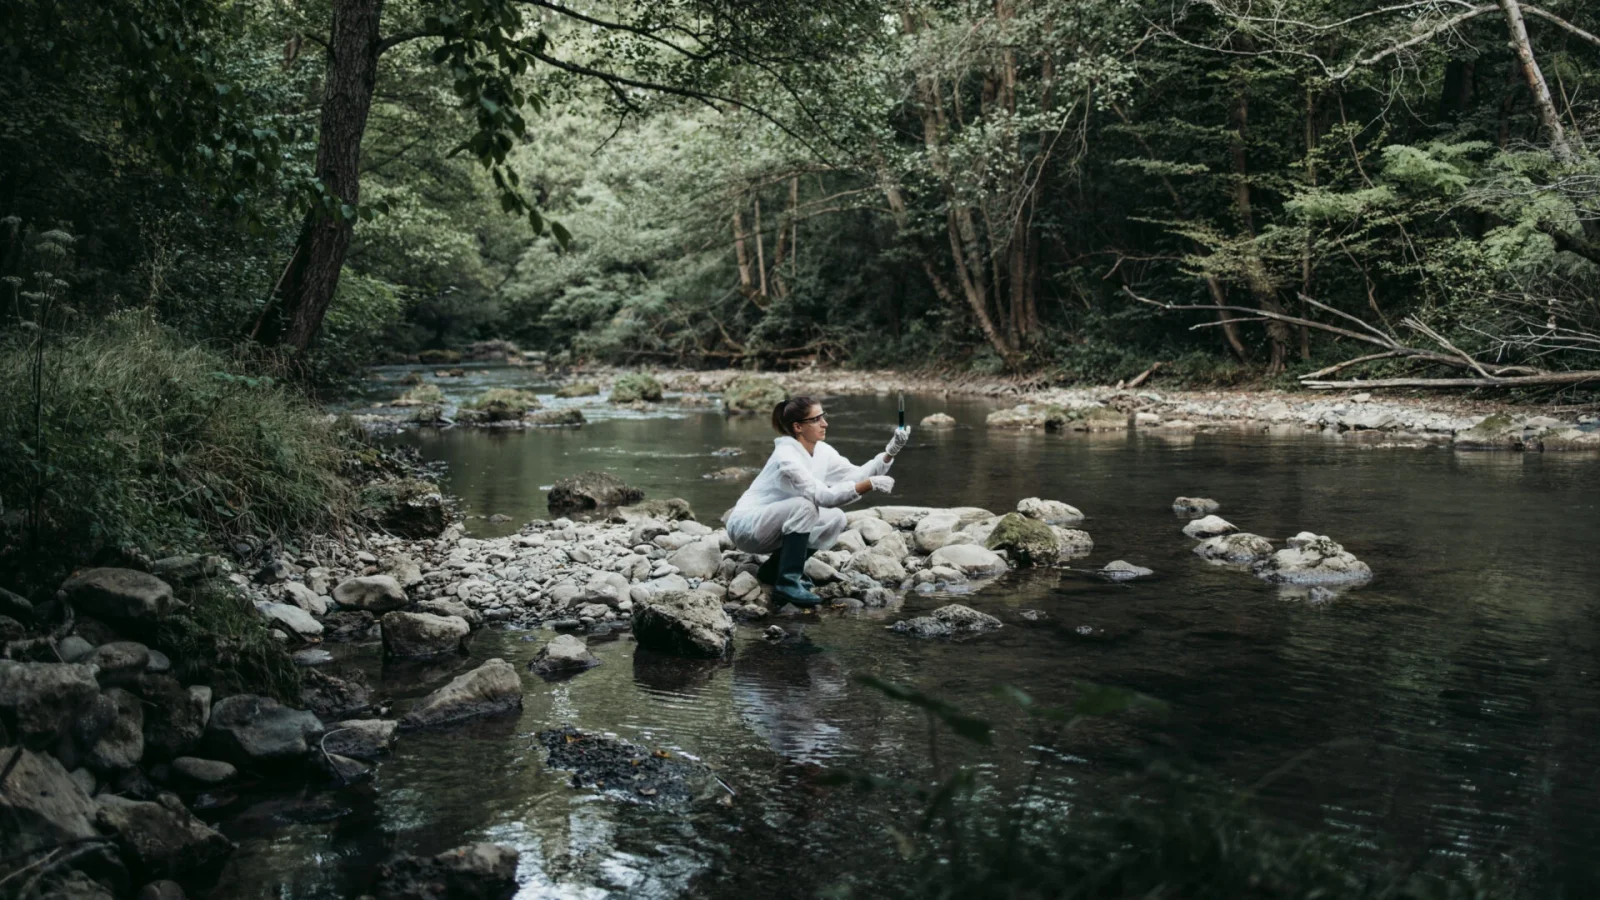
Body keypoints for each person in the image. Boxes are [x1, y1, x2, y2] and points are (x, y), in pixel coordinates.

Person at [724, 396, 910, 607]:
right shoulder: (786, 456)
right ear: (798, 427)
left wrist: (889, 452)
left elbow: (855, 475)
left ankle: (773, 571)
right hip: (747, 527)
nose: (825, 423)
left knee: (835, 518)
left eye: (824, 416)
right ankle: (787, 583)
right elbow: (824, 497)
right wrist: (870, 485)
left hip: (776, 522)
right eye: (816, 419)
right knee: (807, 506)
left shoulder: (822, 450)